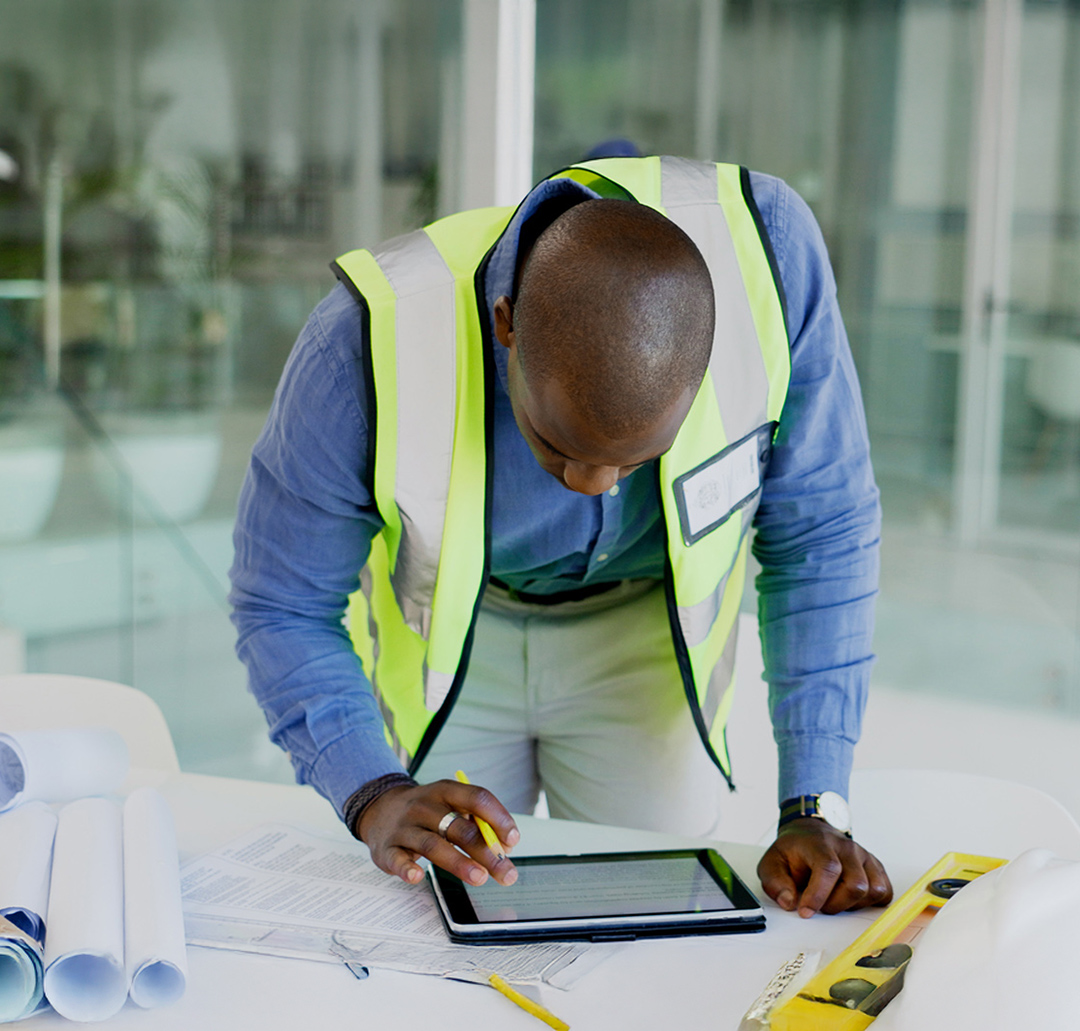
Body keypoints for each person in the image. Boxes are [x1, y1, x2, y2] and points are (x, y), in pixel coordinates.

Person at [230, 154, 892, 920]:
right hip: (460, 647)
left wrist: (814, 805)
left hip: (644, 637)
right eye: (559, 443)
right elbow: (282, 602)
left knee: (660, 926)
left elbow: (822, 532)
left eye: (631, 459)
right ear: (505, 325)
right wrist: (373, 791)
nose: (591, 484)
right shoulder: (360, 343)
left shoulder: (771, 263)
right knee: (430, 922)